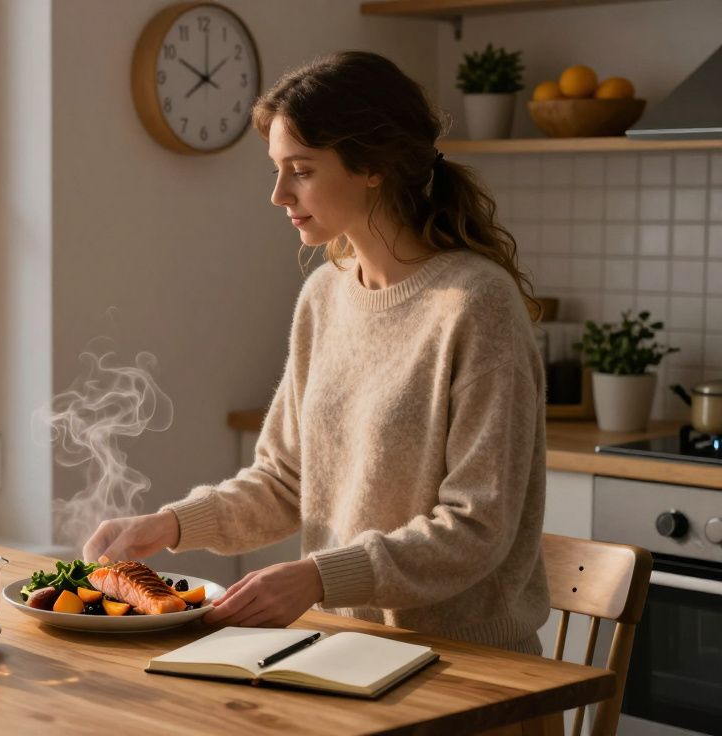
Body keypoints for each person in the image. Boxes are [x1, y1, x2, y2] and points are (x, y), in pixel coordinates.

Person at [83, 51, 549, 654]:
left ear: (373, 166)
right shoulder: (325, 295)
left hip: (467, 666)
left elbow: (477, 525)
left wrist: (318, 576)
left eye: (300, 169)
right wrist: (169, 526)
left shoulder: (475, 304)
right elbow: (284, 481)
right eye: (277, 169)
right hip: (347, 648)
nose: (279, 193)